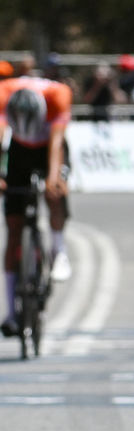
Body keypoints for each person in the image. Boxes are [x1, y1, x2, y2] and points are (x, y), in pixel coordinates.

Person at [0, 76, 73, 336]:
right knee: (14, 229)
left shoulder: (59, 95)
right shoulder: (4, 93)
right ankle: (10, 314)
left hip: (48, 148)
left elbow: (56, 144)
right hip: (19, 149)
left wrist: (53, 180)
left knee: (55, 193)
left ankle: (59, 251)